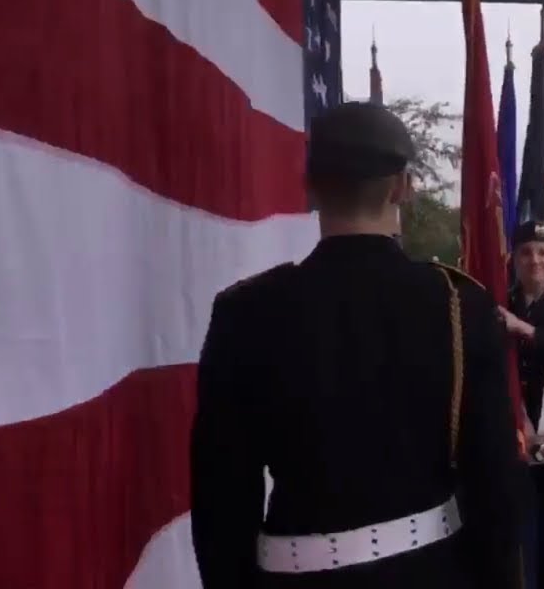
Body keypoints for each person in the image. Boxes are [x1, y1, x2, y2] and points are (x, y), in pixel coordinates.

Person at [189, 101, 524, 589]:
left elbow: (222, 499)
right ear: (402, 187)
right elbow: (495, 489)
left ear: (310, 189)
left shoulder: (245, 311)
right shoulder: (458, 305)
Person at [499, 220, 544, 589]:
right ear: (513, 258)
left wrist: (525, 331)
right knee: (513, 535)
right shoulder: (498, 305)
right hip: (507, 440)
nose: (535, 261)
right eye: (526, 252)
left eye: (543, 252)